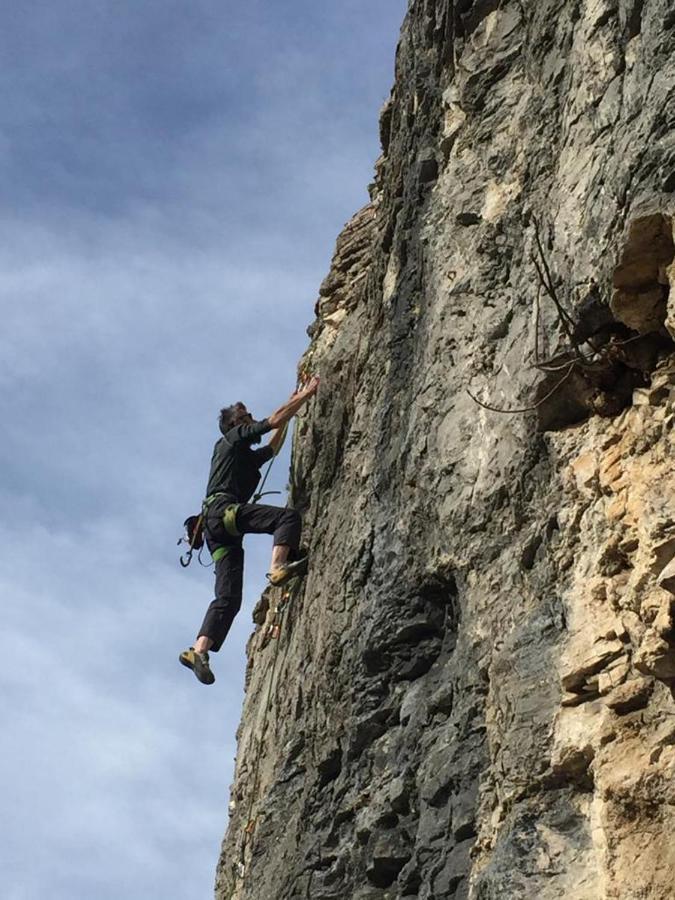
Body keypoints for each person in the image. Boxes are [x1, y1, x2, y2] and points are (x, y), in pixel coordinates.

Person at [179, 376, 320, 685]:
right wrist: (305, 395)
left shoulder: (241, 455)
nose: (251, 419)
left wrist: (293, 407)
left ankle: (198, 651)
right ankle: (278, 567)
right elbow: (273, 420)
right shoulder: (233, 439)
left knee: (228, 598)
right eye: (246, 417)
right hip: (223, 513)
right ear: (236, 423)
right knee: (287, 520)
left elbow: (274, 445)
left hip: (218, 529)